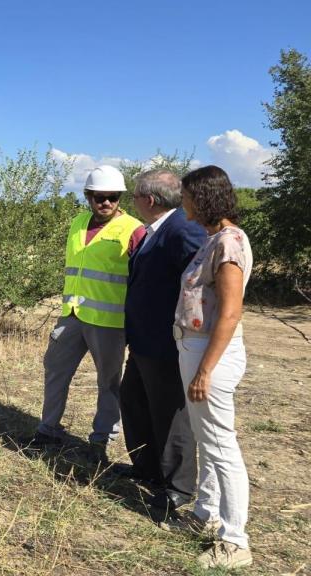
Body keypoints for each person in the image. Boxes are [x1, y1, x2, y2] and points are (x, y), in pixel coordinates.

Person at [32, 165, 145, 459]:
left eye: (112, 197)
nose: (105, 202)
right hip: (72, 314)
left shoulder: (134, 230)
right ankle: (48, 430)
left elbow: (143, 278)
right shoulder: (78, 223)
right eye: (99, 197)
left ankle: (101, 440)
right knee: (54, 370)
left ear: (120, 198)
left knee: (109, 382)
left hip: (108, 321)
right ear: (88, 196)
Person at [175, 165, 254, 569]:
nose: (183, 202)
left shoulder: (228, 244)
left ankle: (236, 540)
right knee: (208, 439)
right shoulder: (215, 240)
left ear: (202, 198)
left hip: (211, 354)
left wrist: (205, 369)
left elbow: (229, 312)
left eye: (187, 195)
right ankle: (207, 514)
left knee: (222, 446)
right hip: (198, 350)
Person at [117, 170, 206, 515]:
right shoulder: (158, 231)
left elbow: (203, 278)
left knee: (169, 414)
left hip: (165, 343)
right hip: (143, 342)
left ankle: (179, 487)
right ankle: (147, 468)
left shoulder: (183, 230)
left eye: (135, 194)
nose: (132, 200)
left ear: (149, 200)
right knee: (134, 400)